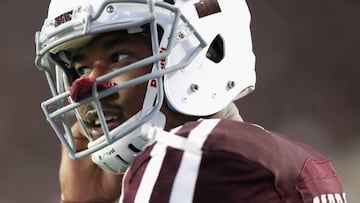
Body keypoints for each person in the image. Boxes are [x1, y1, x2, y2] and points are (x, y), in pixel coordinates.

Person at [34, 0, 347, 202]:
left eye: (118, 56)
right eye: (81, 69)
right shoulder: (300, 159)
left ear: (206, 51)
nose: (84, 88)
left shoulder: (194, 155)